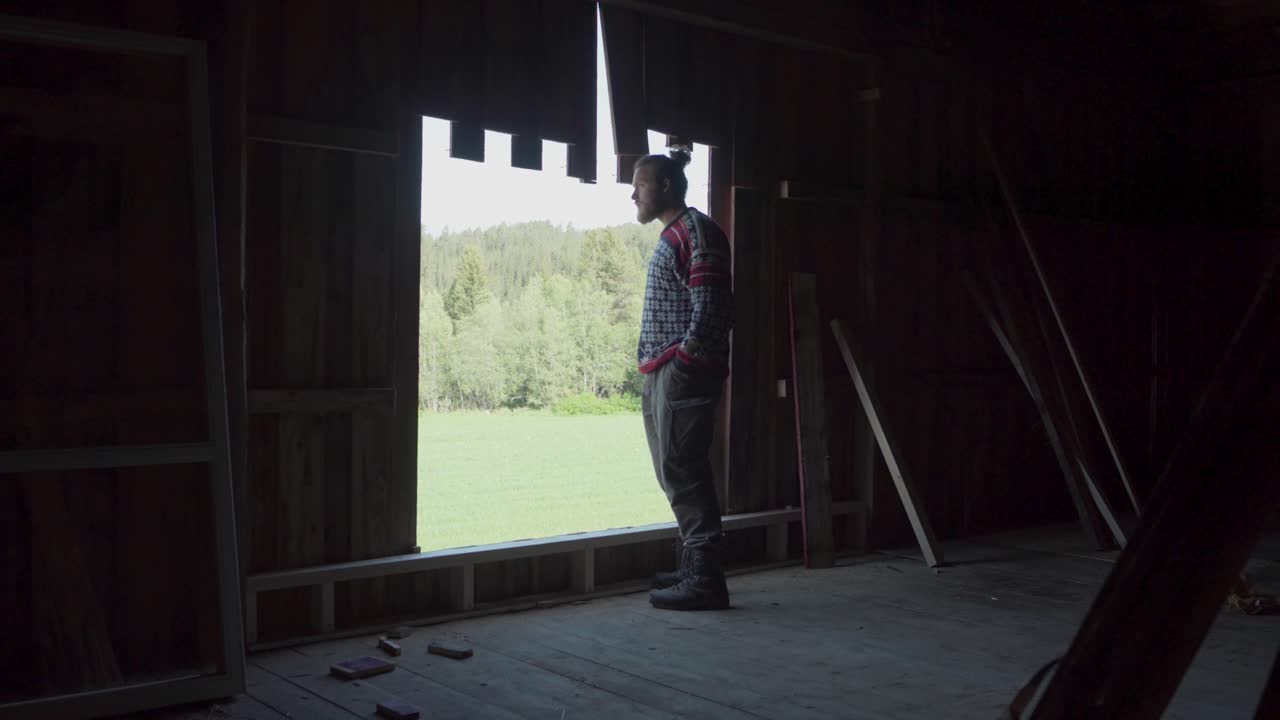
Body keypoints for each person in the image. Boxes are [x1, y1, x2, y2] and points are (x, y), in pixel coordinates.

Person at [631, 146, 734, 610]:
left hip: (681, 372)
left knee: (684, 470)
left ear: (666, 185)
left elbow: (711, 310)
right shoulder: (675, 234)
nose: (633, 194)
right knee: (673, 470)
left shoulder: (697, 231)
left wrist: (684, 365)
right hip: (665, 371)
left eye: (640, 184)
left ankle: (706, 579)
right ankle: (694, 566)